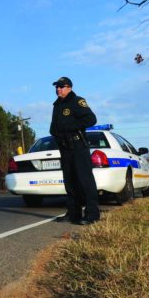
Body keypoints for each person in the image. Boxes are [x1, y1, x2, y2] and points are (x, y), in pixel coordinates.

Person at [49, 77, 100, 225]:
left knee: (85, 180)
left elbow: (91, 119)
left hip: (78, 146)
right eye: (56, 87)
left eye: (61, 86)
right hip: (65, 148)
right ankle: (73, 213)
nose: (58, 89)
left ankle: (92, 214)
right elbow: (55, 126)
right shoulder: (57, 105)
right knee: (70, 182)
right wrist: (55, 132)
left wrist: (70, 126)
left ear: (69, 88)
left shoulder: (77, 101)